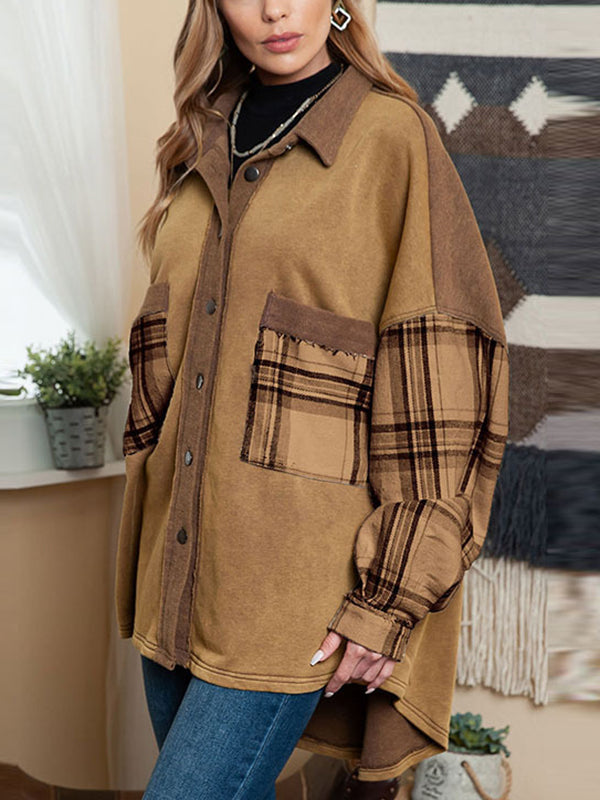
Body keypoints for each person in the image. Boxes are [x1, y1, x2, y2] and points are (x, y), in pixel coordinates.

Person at [114, 0, 510, 798]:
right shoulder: (198, 139)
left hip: (292, 592)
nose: (273, 10)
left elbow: (439, 377)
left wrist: (388, 599)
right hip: (175, 578)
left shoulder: (392, 138)